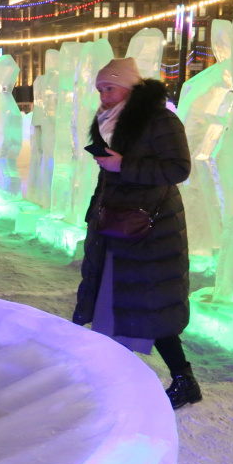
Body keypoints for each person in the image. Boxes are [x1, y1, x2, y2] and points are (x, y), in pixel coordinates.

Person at [73, 58, 199, 410]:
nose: (103, 96)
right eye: (100, 90)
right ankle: (114, 377)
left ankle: (184, 379)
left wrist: (122, 164)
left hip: (151, 229)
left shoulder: (160, 119)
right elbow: (110, 175)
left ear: (130, 87)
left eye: (109, 88)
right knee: (112, 302)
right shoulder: (107, 121)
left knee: (150, 305)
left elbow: (178, 167)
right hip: (116, 225)